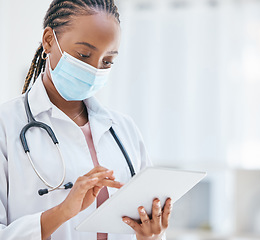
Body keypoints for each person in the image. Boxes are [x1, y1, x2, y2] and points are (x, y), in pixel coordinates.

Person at [0, 1, 172, 240]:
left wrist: (150, 236)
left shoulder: (123, 129)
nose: (94, 69)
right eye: (83, 54)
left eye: (107, 61)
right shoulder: (6, 126)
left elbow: (143, 222)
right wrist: (61, 212)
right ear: (49, 40)